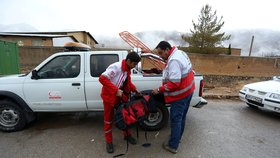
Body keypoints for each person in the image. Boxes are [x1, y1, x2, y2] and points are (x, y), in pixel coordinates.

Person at [152, 41, 195, 154]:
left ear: (167, 50)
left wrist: (159, 89)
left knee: (176, 120)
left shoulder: (174, 60)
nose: (160, 56)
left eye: (161, 53)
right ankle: (177, 138)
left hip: (180, 96)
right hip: (188, 91)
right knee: (181, 117)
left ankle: (173, 146)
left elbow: (174, 83)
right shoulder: (179, 53)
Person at [99, 51, 141, 153]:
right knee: (108, 120)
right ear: (129, 61)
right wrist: (116, 90)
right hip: (109, 98)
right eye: (134, 64)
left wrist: (135, 90)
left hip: (120, 97)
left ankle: (127, 136)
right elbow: (102, 79)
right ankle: (109, 142)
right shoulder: (116, 67)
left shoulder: (127, 70)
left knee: (125, 117)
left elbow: (128, 83)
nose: (134, 66)